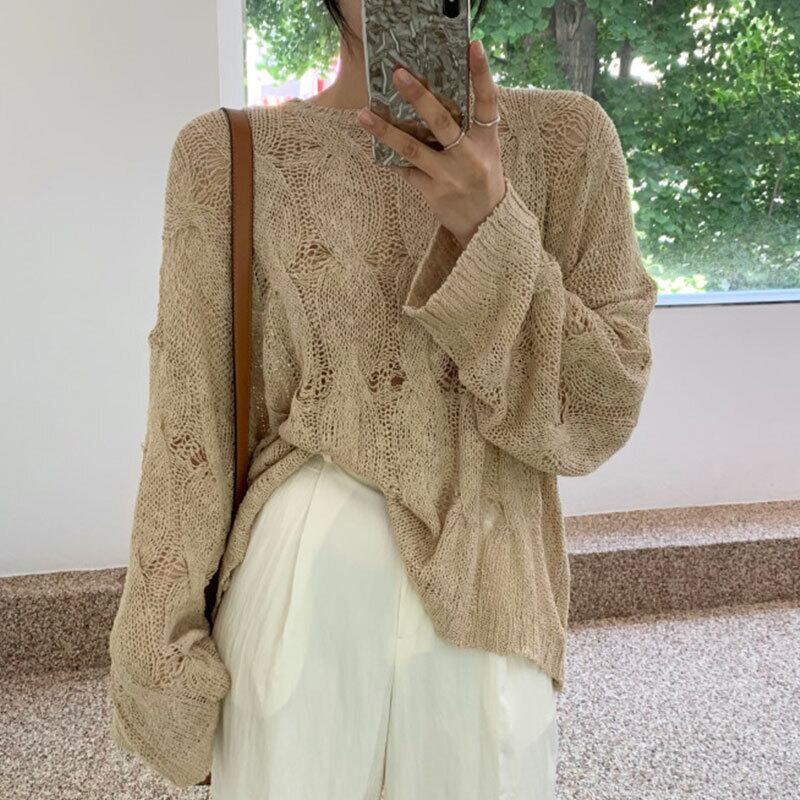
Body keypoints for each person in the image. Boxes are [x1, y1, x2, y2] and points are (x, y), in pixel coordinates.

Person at [108, 0, 659, 796]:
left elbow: (599, 409)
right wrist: (161, 650)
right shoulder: (229, 154)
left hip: (492, 601)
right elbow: (188, 419)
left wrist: (491, 228)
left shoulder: (569, 140)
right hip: (301, 588)